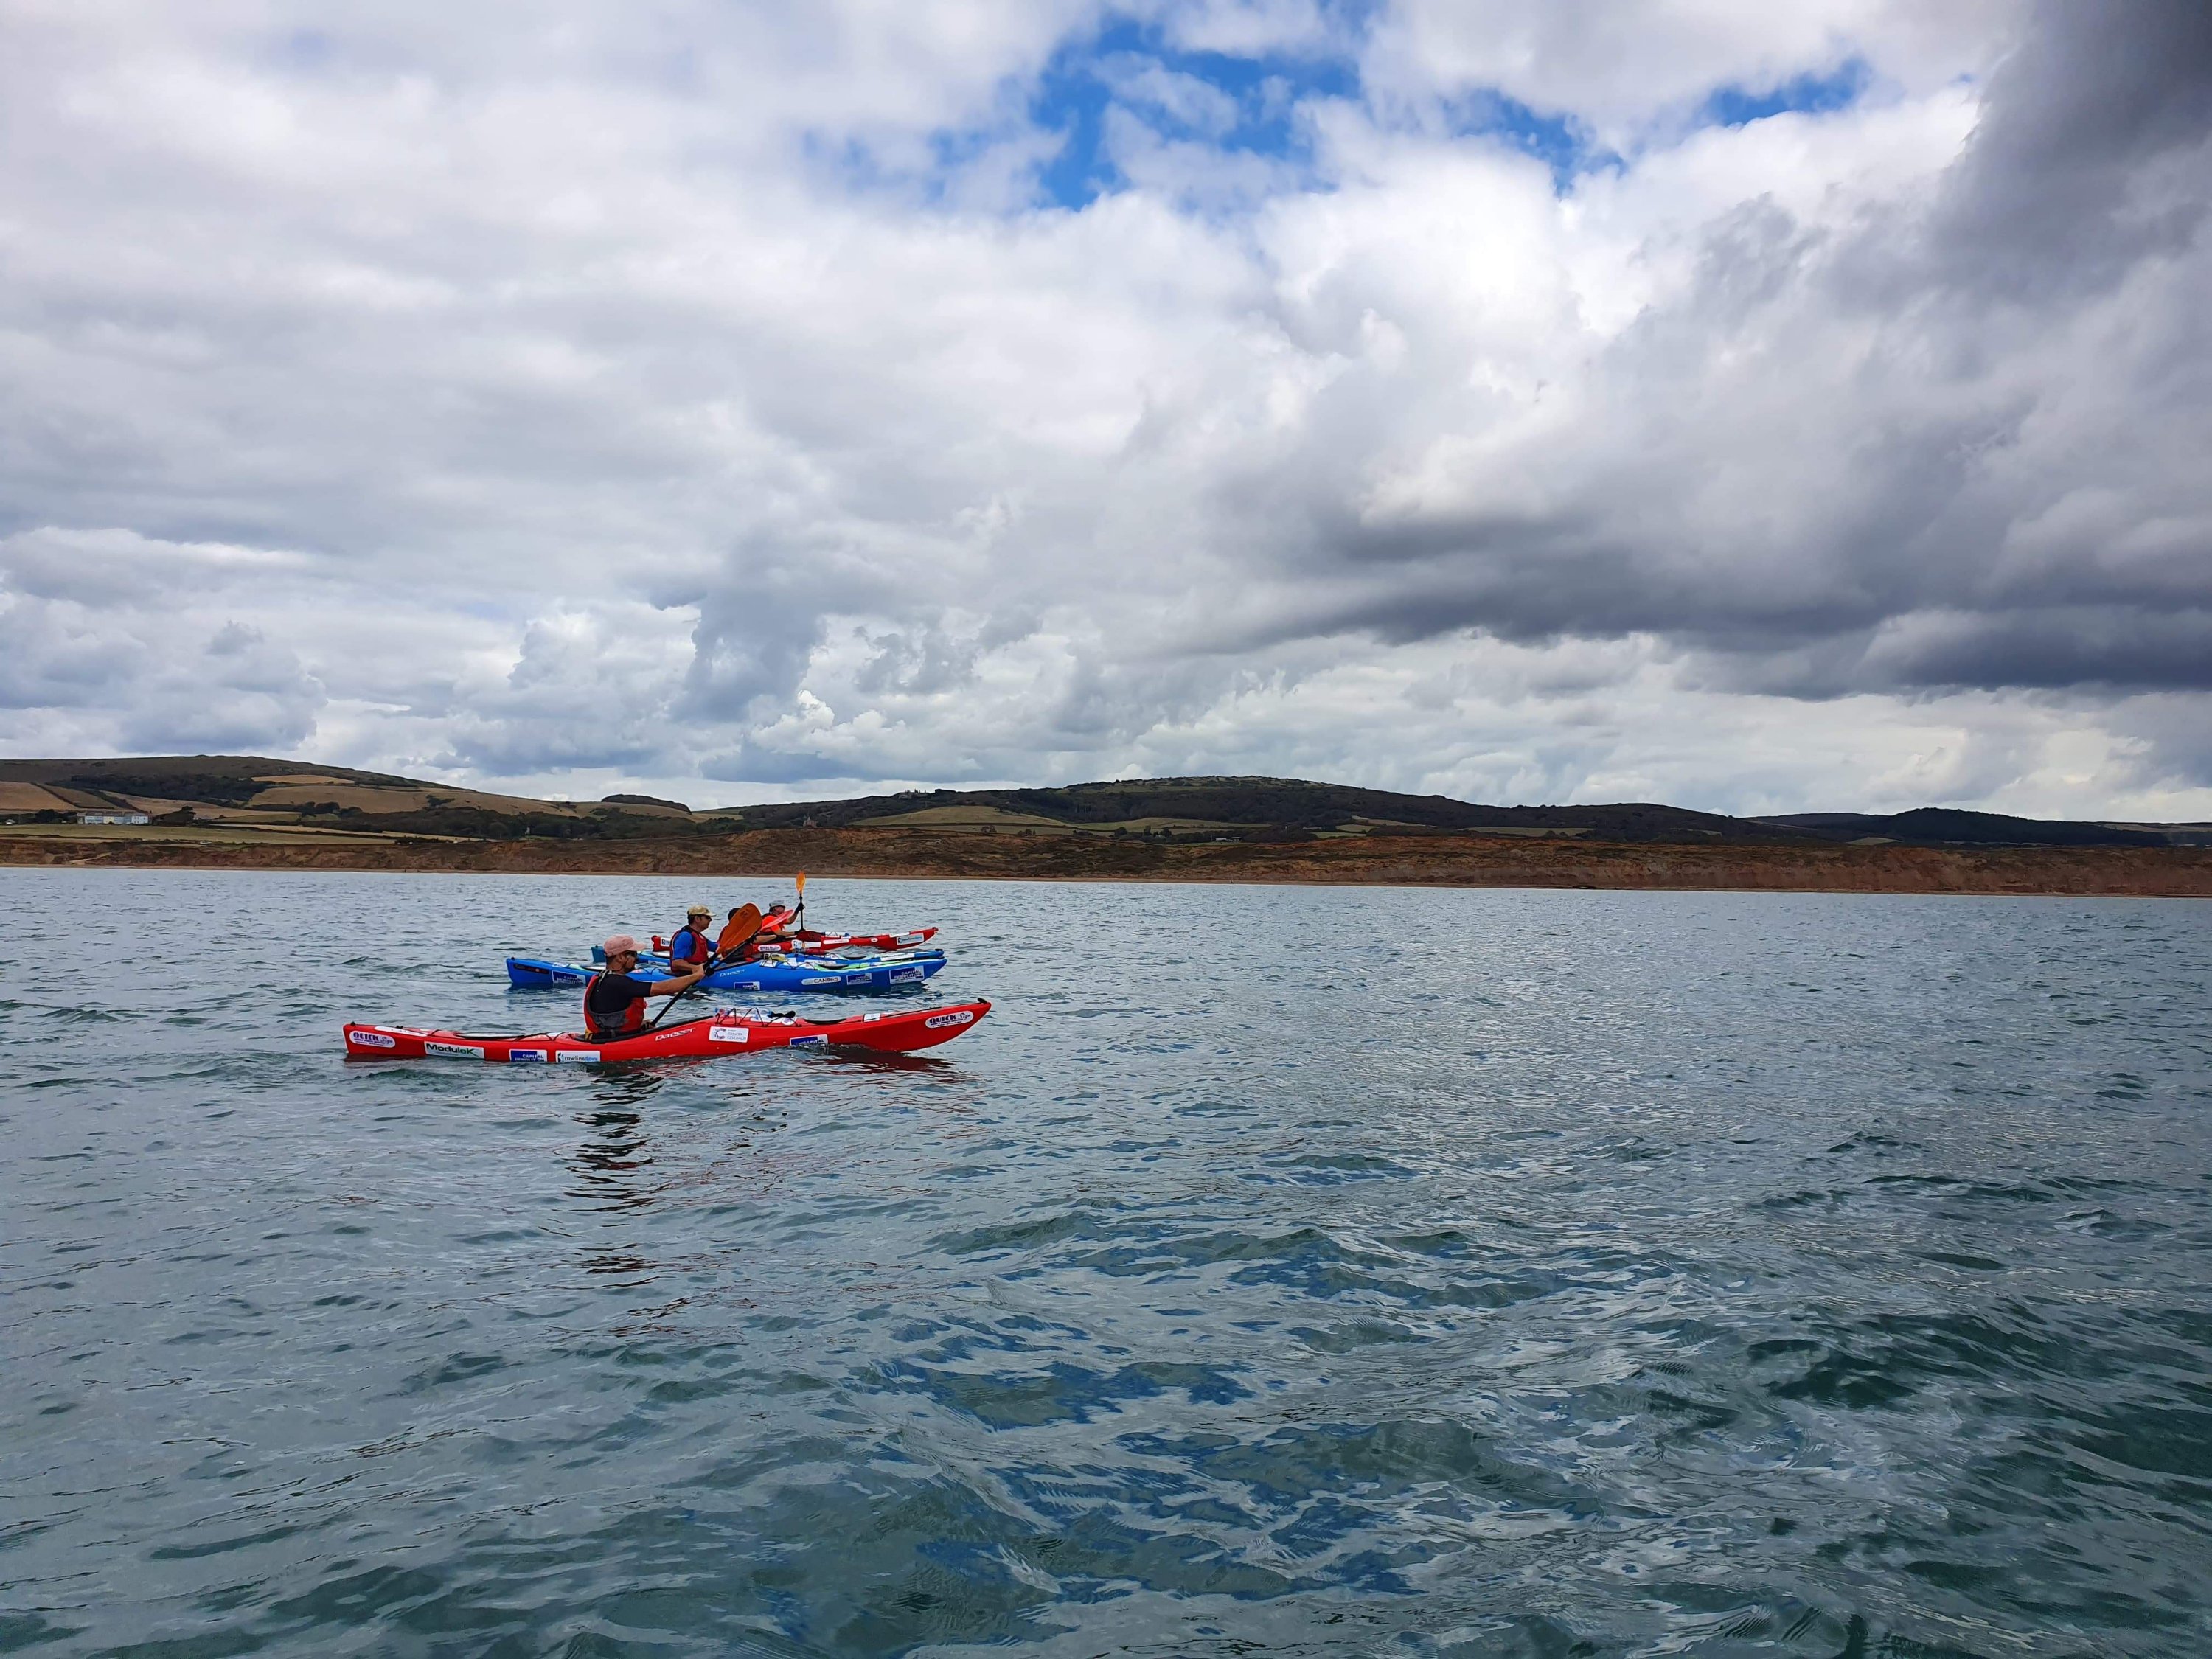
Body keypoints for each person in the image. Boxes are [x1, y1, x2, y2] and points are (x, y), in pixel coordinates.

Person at [582, 935, 703, 1039]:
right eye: (633, 954)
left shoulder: (602, 978)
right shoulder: (619, 983)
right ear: (620, 957)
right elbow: (662, 988)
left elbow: (608, 1013)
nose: (637, 958)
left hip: (611, 1035)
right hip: (617, 1040)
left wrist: (639, 1025)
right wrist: (696, 976)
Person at [666, 905, 715, 969]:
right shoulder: (685, 937)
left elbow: (716, 947)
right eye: (707, 917)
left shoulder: (699, 936)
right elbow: (676, 962)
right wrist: (696, 968)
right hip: (685, 973)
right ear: (697, 919)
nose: (710, 920)